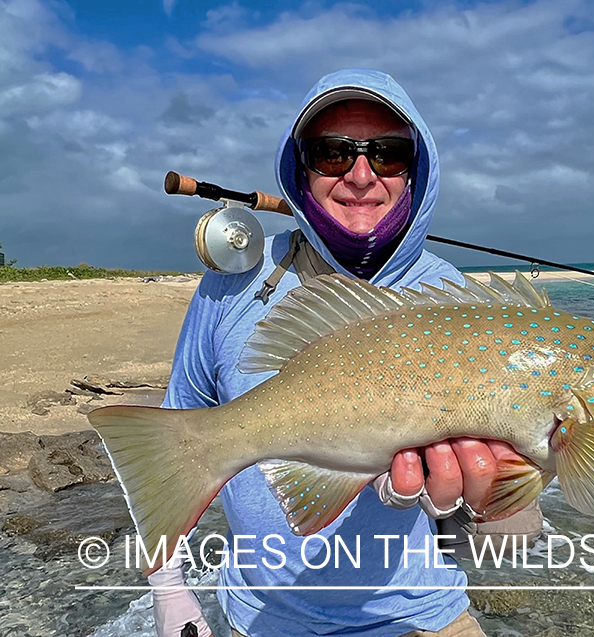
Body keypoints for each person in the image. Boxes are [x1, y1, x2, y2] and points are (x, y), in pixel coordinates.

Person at [150, 69, 542, 637]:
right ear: (300, 170)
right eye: (332, 154)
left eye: (388, 153)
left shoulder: (454, 298)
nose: (362, 176)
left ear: (417, 170)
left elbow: (510, 529)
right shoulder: (232, 285)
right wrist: (168, 587)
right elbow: (169, 442)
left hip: (422, 618)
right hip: (259, 622)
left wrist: (476, 505)